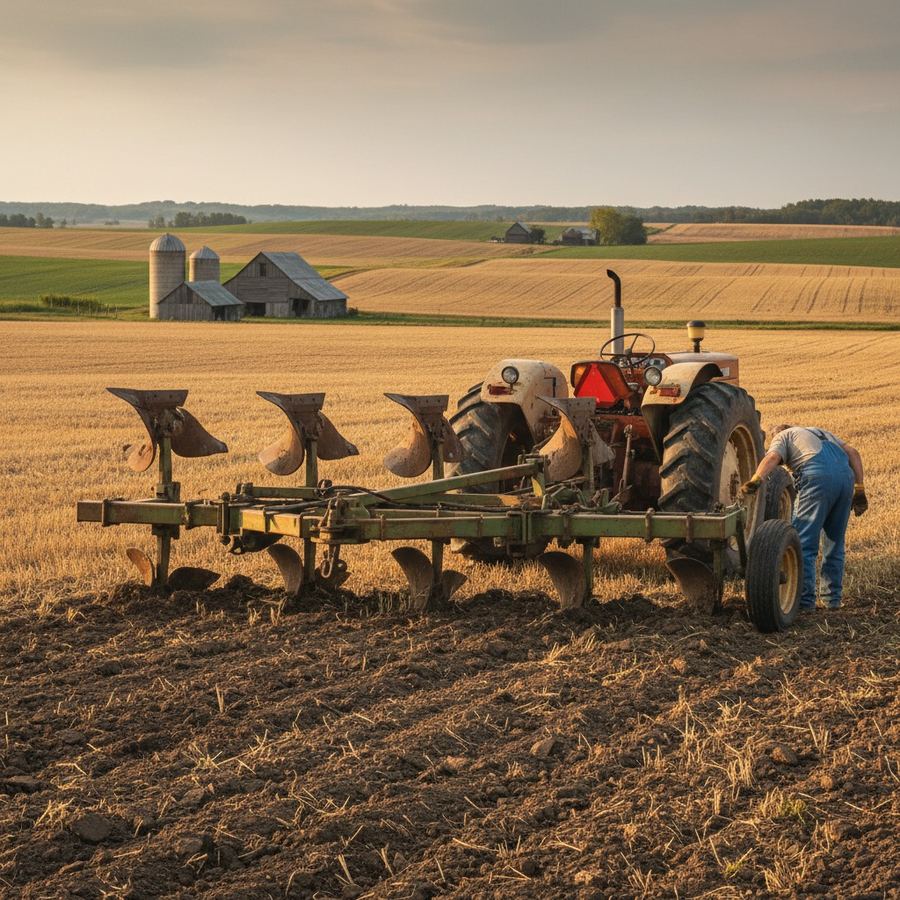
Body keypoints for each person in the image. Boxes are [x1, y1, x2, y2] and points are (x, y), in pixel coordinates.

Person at [740, 424, 867, 611]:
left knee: (803, 544)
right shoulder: (821, 432)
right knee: (835, 543)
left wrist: (756, 480)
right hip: (845, 479)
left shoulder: (783, 436)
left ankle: (804, 602)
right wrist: (860, 488)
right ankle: (833, 600)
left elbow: (773, 457)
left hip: (817, 478)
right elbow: (853, 453)